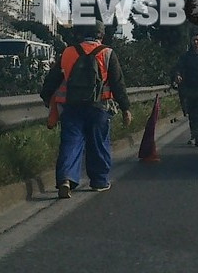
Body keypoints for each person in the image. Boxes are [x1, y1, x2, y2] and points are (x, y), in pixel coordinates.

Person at [40, 20, 132, 199]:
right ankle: (99, 181)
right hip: (99, 108)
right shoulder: (107, 53)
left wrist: (47, 98)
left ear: (82, 35)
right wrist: (125, 108)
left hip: (71, 107)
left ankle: (66, 179)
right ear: (101, 35)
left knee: (71, 143)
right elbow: (117, 84)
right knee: (99, 144)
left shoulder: (68, 52)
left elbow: (52, 78)